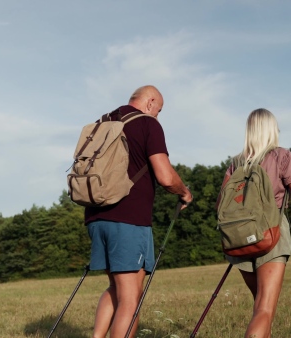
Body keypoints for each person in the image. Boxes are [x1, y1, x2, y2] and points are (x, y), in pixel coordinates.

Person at [85, 85, 192, 338]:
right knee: (130, 298)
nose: (158, 116)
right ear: (150, 102)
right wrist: (184, 192)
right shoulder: (147, 124)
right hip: (128, 219)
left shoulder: (103, 122)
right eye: (159, 110)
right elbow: (165, 177)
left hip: (95, 216)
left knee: (116, 287)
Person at [217, 108, 291, 338]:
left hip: (239, 240)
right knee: (264, 309)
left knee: (259, 306)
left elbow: (220, 204)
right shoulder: (282, 156)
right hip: (272, 236)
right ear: (272, 130)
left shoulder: (236, 163)